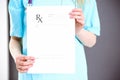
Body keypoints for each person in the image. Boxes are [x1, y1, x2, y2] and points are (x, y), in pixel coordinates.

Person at [8, 0, 100, 80]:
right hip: (33, 73)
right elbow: (15, 39)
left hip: (72, 75)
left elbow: (91, 41)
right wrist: (17, 57)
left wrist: (77, 30)